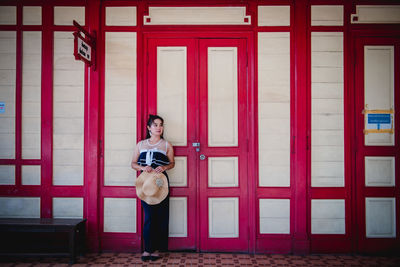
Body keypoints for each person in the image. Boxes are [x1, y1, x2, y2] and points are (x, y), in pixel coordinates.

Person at [131, 114, 175, 262]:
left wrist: (164, 167)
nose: (158, 127)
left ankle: (156, 249)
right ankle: (147, 249)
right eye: (155, 125)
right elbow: (133, 164)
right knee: (149, 217)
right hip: (145, 184)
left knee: (160, 216)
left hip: (161, 183)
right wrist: (143, 167)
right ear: (148, 127)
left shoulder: (166, 145)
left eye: (160, 124)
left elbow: (172, 163)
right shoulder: (140, 144)